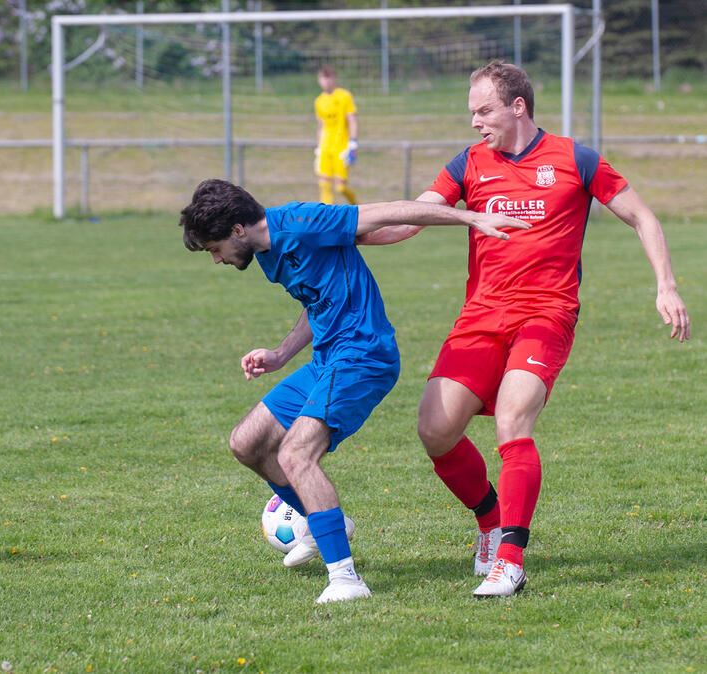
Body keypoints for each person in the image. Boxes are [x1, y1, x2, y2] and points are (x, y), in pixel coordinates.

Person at [367, 60, 691, 598]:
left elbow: (643, 217)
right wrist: (342, 230)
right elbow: (410, 219)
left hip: (547, 313)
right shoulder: (467, 164)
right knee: (434, 430)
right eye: (471, 112)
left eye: (484, 110)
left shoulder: (575, 159)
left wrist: (666, 285)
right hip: (480, 316)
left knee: (513, 418)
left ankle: (510, 560)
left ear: (518, 107)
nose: (475, 122)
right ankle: (490, 521)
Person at [179, 178, 528, 603]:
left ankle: (345, 580)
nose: (216, 260)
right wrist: (280, 354)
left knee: (295, 453)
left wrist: (470, 217)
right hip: (329, 359)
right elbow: (318, 300)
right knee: (246, 442)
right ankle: (323, 520)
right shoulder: (267, 253)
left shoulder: (304, 221)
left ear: (237, 229)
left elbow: (392, 210)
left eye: (215, 249)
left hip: (363, 356)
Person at [313, 65, 358, 205]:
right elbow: (321, 125)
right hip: (326, 147)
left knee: (341, 187)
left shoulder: (344, 96)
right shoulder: (319, 101)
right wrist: (319, 148)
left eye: (328, 78)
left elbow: (352, 120)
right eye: (322, 78)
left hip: (341, 147)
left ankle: (357, 207)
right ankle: (326, 219)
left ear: (334, 79)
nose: (325, 82)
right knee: (324, 185)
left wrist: (353, 143)